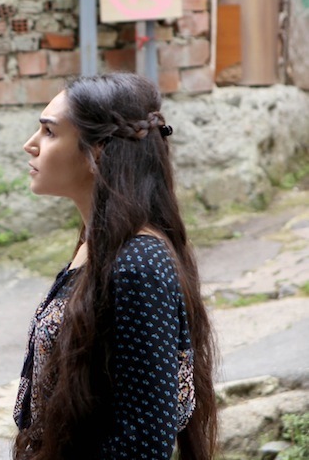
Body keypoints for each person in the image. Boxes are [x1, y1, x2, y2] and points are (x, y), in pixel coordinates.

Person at [13, 73, 217, 460]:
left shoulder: (139, 264)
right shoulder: (97, 243)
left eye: (49, 132)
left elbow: (145, 441)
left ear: (98, 152)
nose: (31, 144)